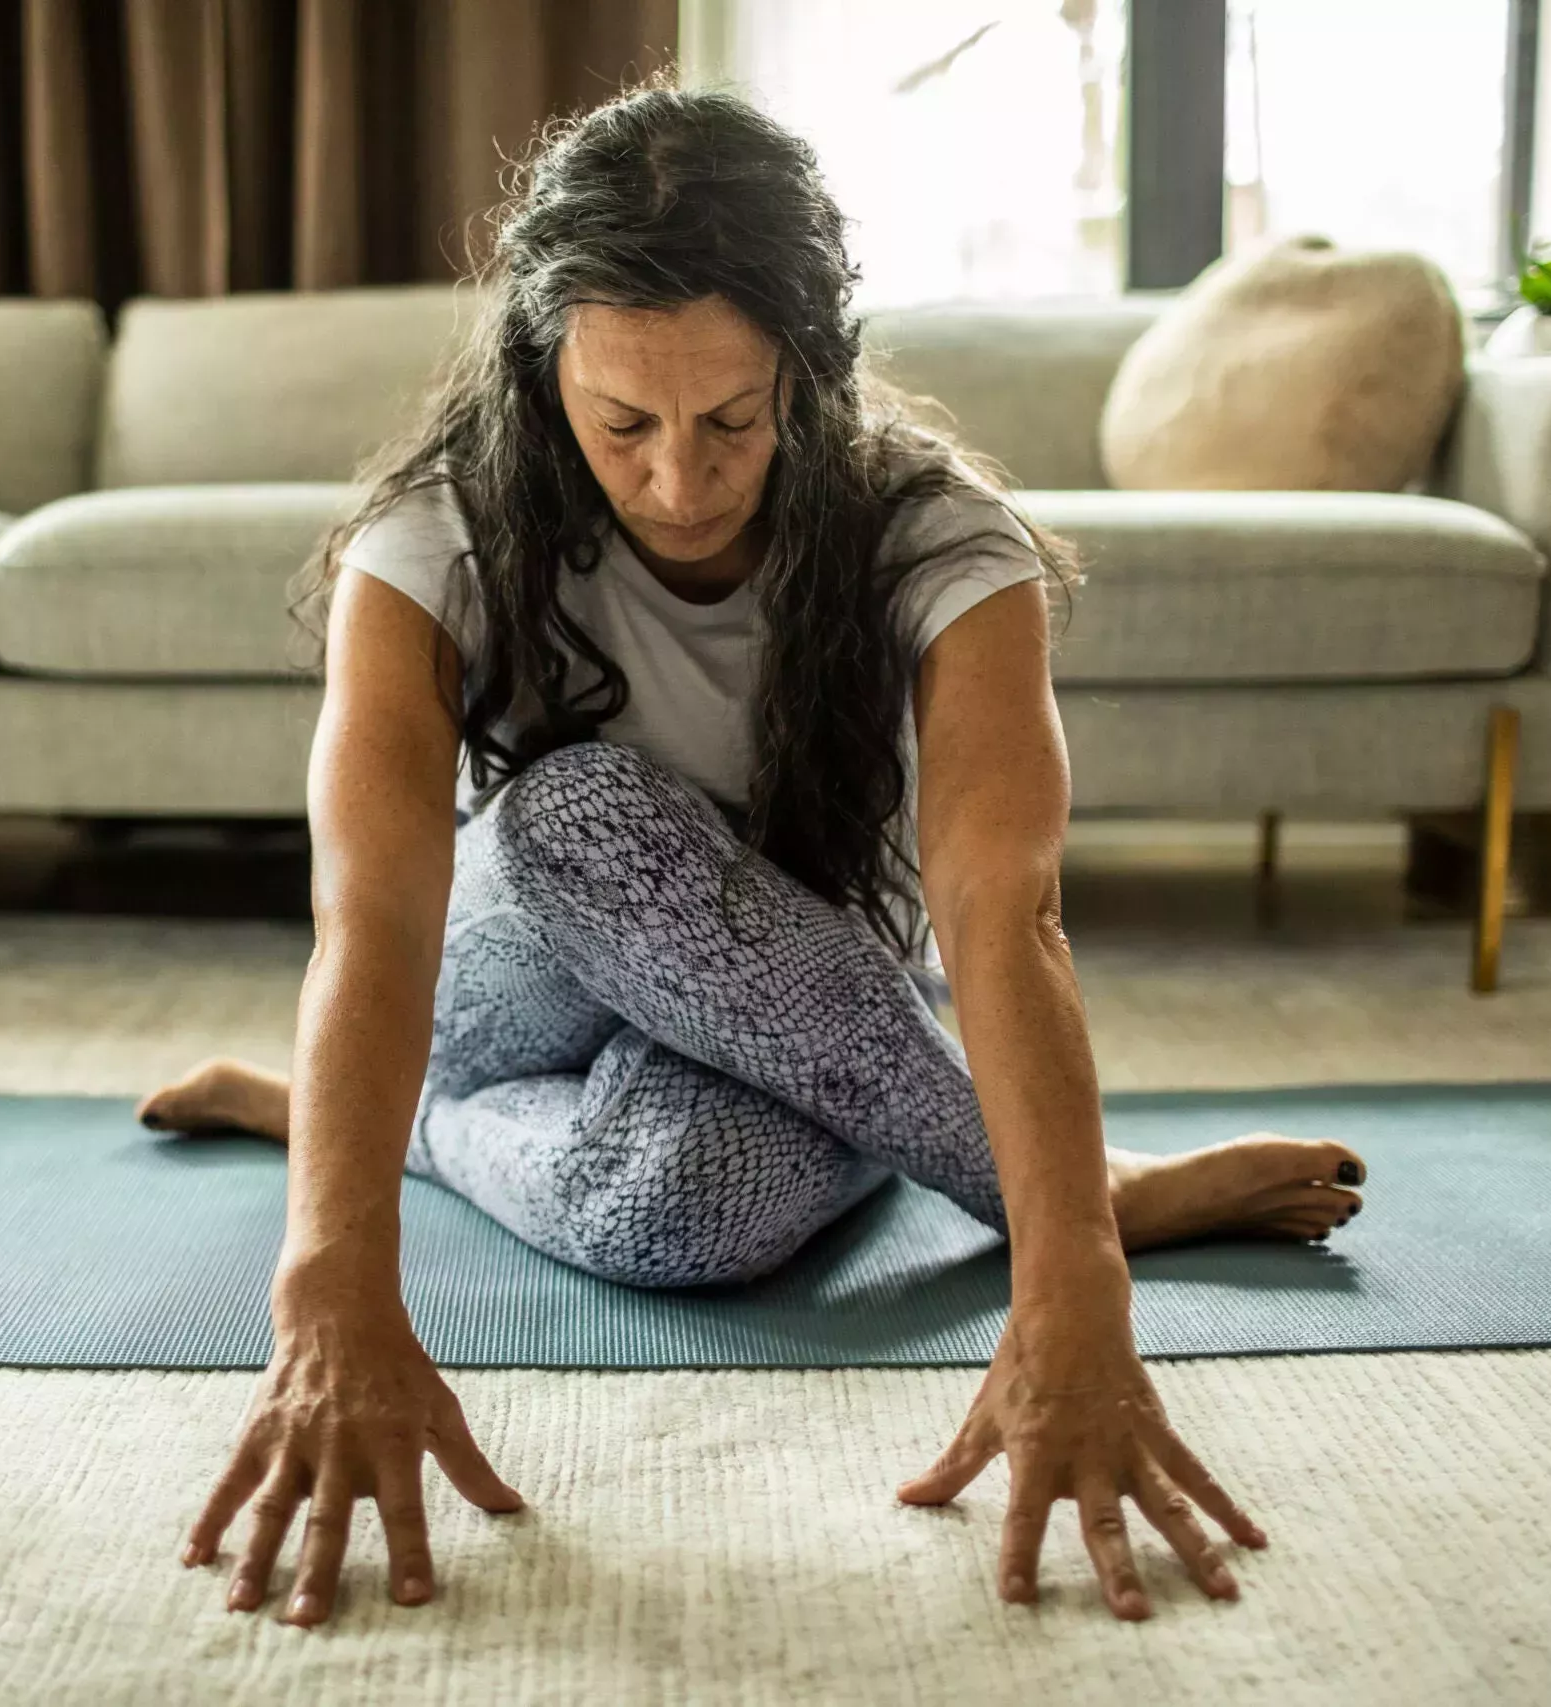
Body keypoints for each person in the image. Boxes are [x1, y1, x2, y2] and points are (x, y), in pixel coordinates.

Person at [139, 83, 1367, 1629]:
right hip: (519, 993)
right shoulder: (434, 533)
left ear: (811, 368)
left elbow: (1006, 906)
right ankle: (1081, 1179)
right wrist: (328, 1283)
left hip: (807, 1006)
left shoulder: (938, 534)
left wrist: (1079, 1296)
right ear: (545, 378)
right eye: (620, 424)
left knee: (696, 1210)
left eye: (729, 418)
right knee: (584, 813)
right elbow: (375, 917)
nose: (675, 481)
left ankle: (433, 1134)